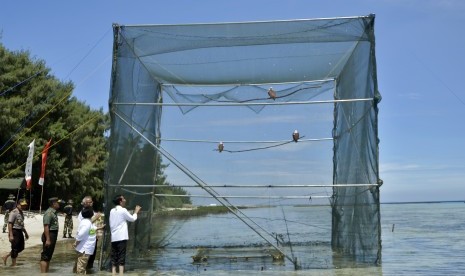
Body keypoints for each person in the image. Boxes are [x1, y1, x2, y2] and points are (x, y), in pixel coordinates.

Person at [109, 195, 141, 275]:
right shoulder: (123, 210)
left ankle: (113, 273)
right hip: (121, 237)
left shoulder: (112, 211)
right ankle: (121, 273)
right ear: (120, 201)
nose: (125, 200)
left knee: (114, 256)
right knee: (121, 257)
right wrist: (136, 212)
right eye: (123, 199)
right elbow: (132, 219)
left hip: (114, 237)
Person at [73, 206, 104, 274]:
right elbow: (81, 234)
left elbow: (91, 230)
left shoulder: (86, 222)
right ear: (91, 214)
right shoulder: (87, 223)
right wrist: (76, 243)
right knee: (81, 269)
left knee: (77, 268)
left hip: (83, 248)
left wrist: (100, 228)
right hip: (84, 249)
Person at [2, 199, 29, 266]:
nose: (24, 207)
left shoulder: (21, 212)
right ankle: (13, 264)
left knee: (21, 247)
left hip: (20, 231)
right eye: (22, 205)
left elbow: (21, 224)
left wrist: (25, 232)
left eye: (25, 205)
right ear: (18, 205)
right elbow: (10, 223)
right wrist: (11, 235)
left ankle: (6, 256)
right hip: (14, 231)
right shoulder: (14, 212)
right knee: (15, 248)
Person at [78, 196, 101, 270]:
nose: (91, 203)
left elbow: (92, 227)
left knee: (91, 258)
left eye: (91, 202)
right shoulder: (83, 213)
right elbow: (85, 227)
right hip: (85, 240)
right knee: (83, 261)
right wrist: (95, 218)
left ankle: (89, 271)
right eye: (88, 202)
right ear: (84, 203)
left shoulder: (93, 212)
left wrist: (96, 233)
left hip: (92, 239)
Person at [40, 197, 63, 273]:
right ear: (54, 203)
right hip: (49, 234)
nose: (59, 204)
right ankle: (43, 274)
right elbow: (46, 226)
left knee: (49, 256)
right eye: (58, 202)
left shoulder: (54, 212)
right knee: (45, 256)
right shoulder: (49, 213)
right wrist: (48, 239)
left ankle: (46, 273)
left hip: (52, 235)